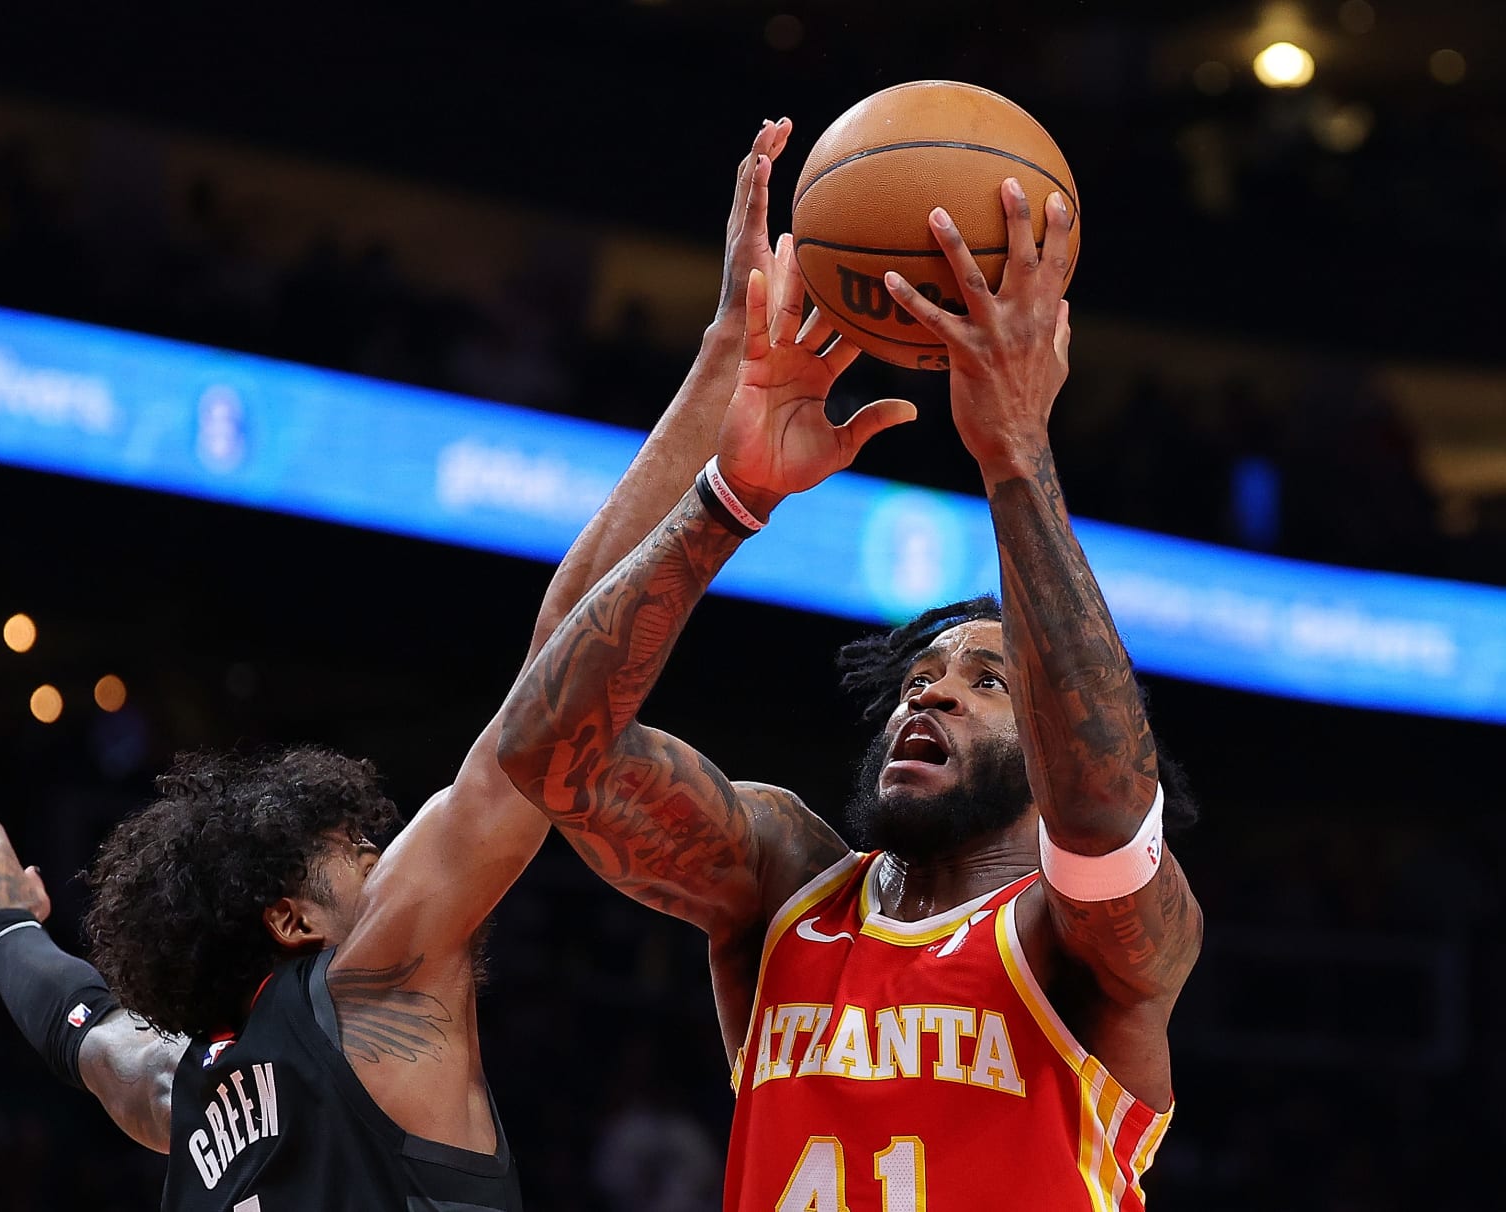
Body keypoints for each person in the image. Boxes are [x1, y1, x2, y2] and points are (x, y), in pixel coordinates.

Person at [0, 117, 822, 1211]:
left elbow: (88, 1036)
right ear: (294, 922)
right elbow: (553, 706)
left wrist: (3, 924)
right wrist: (727, 468)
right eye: (355, 852)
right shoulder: (370, 980)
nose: (387, 855)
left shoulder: (191, 1094)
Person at [498, 181, 1203, 1211]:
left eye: (987, 680)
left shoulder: (1081, 940)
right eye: (919, 679)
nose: (935, 696)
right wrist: (727, 499)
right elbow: (548, 749)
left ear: (1050, 734)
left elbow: (1101, 809)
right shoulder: (787, 878)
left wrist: (1015, 451)